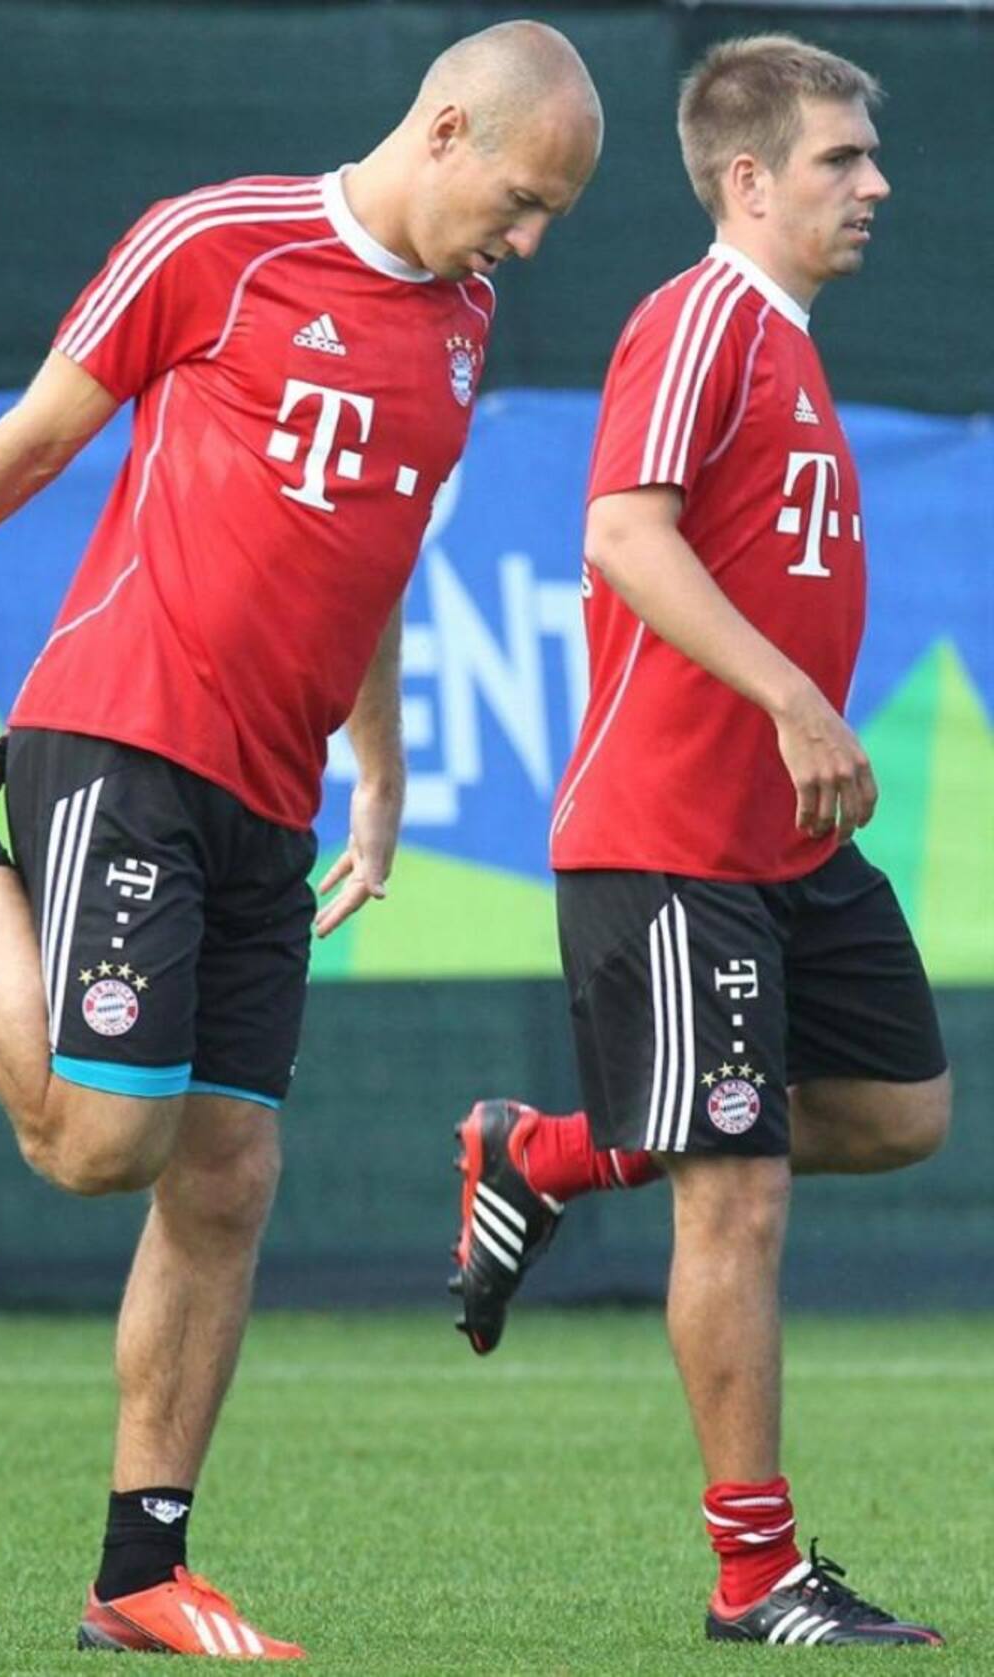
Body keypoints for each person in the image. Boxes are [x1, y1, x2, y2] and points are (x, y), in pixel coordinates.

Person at [0, 21, 602, 1661]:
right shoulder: (218, 240)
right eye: (523, 200)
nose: (529, 242)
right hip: (128, 733)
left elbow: (376, 553)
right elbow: (40, 435)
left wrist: (379, 773)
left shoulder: (465, 324)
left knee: (229, 1176)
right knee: (99, 1144)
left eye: (552, 219)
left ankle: (140, 1574)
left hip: (273, 795)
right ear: (445, 130)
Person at [449, 33, 948, 1650]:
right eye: (839, 159)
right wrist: (797, 698)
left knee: (898, 1110)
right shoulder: (701, 317)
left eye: (869, 156)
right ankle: (759, 1576)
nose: (873, 184)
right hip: (670, 843)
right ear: (747, 179)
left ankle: (546, 1153)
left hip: (781, 844)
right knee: (734, 1193)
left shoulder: (787, 345)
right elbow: (620, 531)